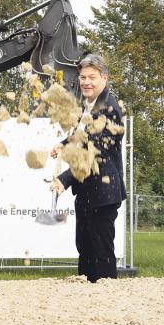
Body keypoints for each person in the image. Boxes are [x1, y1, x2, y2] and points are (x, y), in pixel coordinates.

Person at [50, 54, 126, 283]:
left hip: (103, 194)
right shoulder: (88, 106)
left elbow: (96, 151)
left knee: (101, 253)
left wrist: (65, 178)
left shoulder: (109, 109)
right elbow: (81, 137)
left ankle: (106, 303)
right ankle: (86, 306)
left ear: (104, 78)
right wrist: (62, 145)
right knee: (85, 249)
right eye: (83, 77)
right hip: (86, 192)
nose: (86, 82)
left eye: (91, 77)